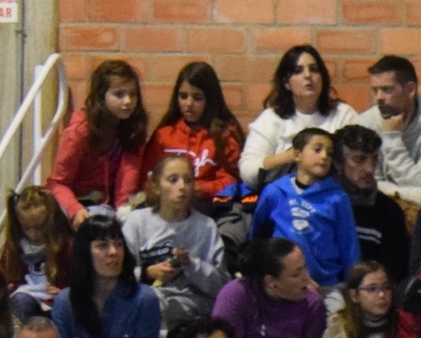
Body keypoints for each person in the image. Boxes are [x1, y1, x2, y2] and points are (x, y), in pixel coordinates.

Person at [119, 152, 228, 337]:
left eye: (188, 180)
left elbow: (221, 286)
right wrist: (146, 272)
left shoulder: (206, 226)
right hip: (144, 299)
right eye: (173, 180)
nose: (182, 187)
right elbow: (118, 275)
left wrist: (190, 264)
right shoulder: (137, 221)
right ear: (156, 187)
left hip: (190, 305)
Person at [247, 127, 359, 295]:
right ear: (297, 154)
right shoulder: (275, 192)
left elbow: (348, 245)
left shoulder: (337, 197)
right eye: (317, 149)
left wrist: (353, 285)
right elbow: (257, 235)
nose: (324, 156)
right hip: (284, 285)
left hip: (326, 285)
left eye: (329, 153)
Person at [208, 239, 323, 338]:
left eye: (305, 268)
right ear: (271, 281)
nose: (307, 279)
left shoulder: (313, 304)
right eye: (296, 275)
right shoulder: (236, 294)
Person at [50, 58, 154, 223]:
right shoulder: (79, 133)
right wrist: (75, 210)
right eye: (119, 94)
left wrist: (124, 211)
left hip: (110, 204)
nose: (128, 101)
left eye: (133, 94)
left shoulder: (134, 128)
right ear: (101, 96)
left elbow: (127, 181)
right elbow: (58, 184)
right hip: (79, 201)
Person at [239, 43, 352, 189]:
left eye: (314, 69)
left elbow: (358, 165)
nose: (308, 75)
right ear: (286, 83)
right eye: (298, 71)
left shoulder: (343, 114)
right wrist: (293, 156)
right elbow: (248, 172)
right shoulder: (271, 118)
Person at [360, 54, 421, 213]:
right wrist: (407, 193)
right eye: (375, 90)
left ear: (410, 89)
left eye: (387, 89)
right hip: (372, 210)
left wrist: (392, 138)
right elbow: (364, 184)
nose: (378, 98)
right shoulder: (364, 124)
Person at [151, 62, 247, 213]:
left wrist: (200, 189)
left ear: (210, 99)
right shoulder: (164, 134)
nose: (188, 104)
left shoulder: (224, 135)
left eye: (197, 98)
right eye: (183, 96)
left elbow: (232, 179)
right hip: (168, 207)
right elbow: (149, 175)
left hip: (211, 207)